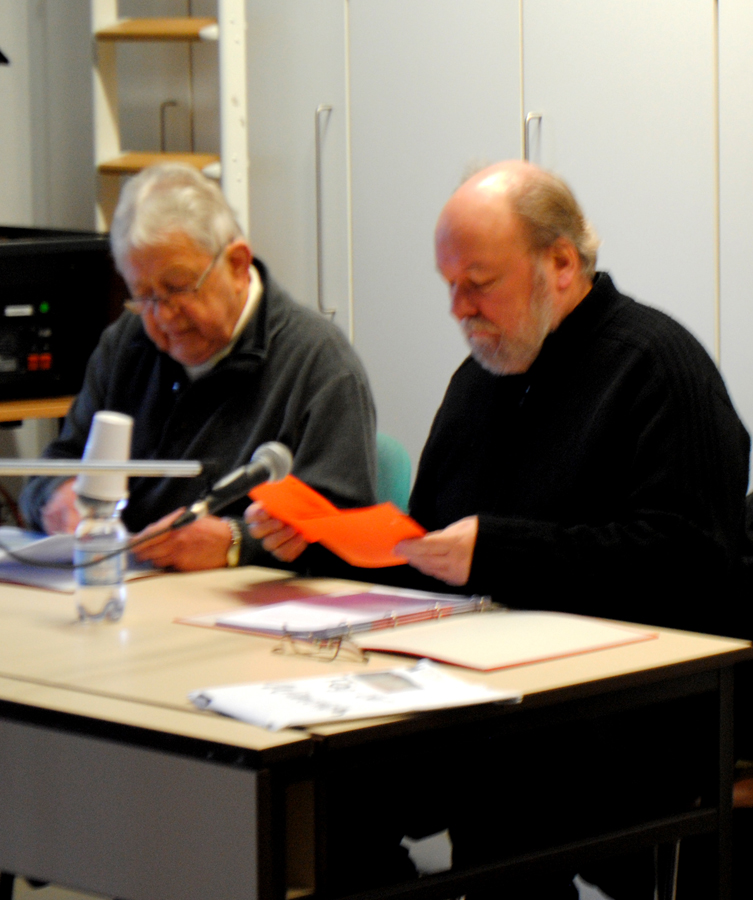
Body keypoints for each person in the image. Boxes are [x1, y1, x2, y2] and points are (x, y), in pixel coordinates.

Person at [249, 161, 751, 899]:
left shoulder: (657, 368)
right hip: (485, 688)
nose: (459, 307)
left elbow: (688, 563)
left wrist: (495, 549)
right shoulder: (481, 379)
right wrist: (320, 541)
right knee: (311, 786)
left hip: (630, 712)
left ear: (561, 264)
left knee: (470, 786)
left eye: (478, 283)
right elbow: (427, 552)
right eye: (449, 283)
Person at [20, 163, 377, 571]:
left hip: (242, 603)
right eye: (144, 296)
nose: (163, 315)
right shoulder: (125, 345)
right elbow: (58, 463)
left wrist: (234, 544)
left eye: (177, 288)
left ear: (237, 265)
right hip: (122, 583)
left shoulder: (319, 365)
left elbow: (345, 540)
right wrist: (56, 498)